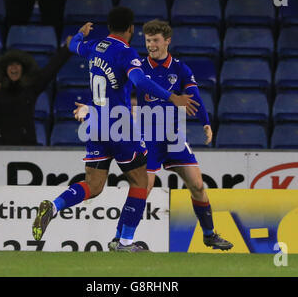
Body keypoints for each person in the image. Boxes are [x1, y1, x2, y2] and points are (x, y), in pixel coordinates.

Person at [31, 7, 199, 252]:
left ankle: (55, 206)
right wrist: (172, 97)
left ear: (109, 27)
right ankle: (124, 242)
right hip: (119, 127)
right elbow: (141, 81)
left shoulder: (94, 46)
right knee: (141, 182)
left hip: (95, 126)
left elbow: (72, 45)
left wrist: (80, 33)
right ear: (131, 29)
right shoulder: (126, 53)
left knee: (94, 185)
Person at [75, 19, 233, 251]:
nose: (151, 45)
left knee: (198, 185)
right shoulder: (136, 65)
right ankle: (119, 238)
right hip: (148, 137)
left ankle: (209, 235)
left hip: (174, 137)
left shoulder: (179, 68)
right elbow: (111, 92)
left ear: (167, 41)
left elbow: (194, 96)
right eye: (148, 40)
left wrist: (206, 123)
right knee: (143, 187)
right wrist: (91, 108)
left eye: (156, 40)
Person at [0, 33, 73, 146]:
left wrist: (67, 49)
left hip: (26, 143)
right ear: (4, 69)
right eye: (10, 65)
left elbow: (51, 69)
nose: (14, 68)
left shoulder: (32, 86)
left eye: (17, 65)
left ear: (23, 68)